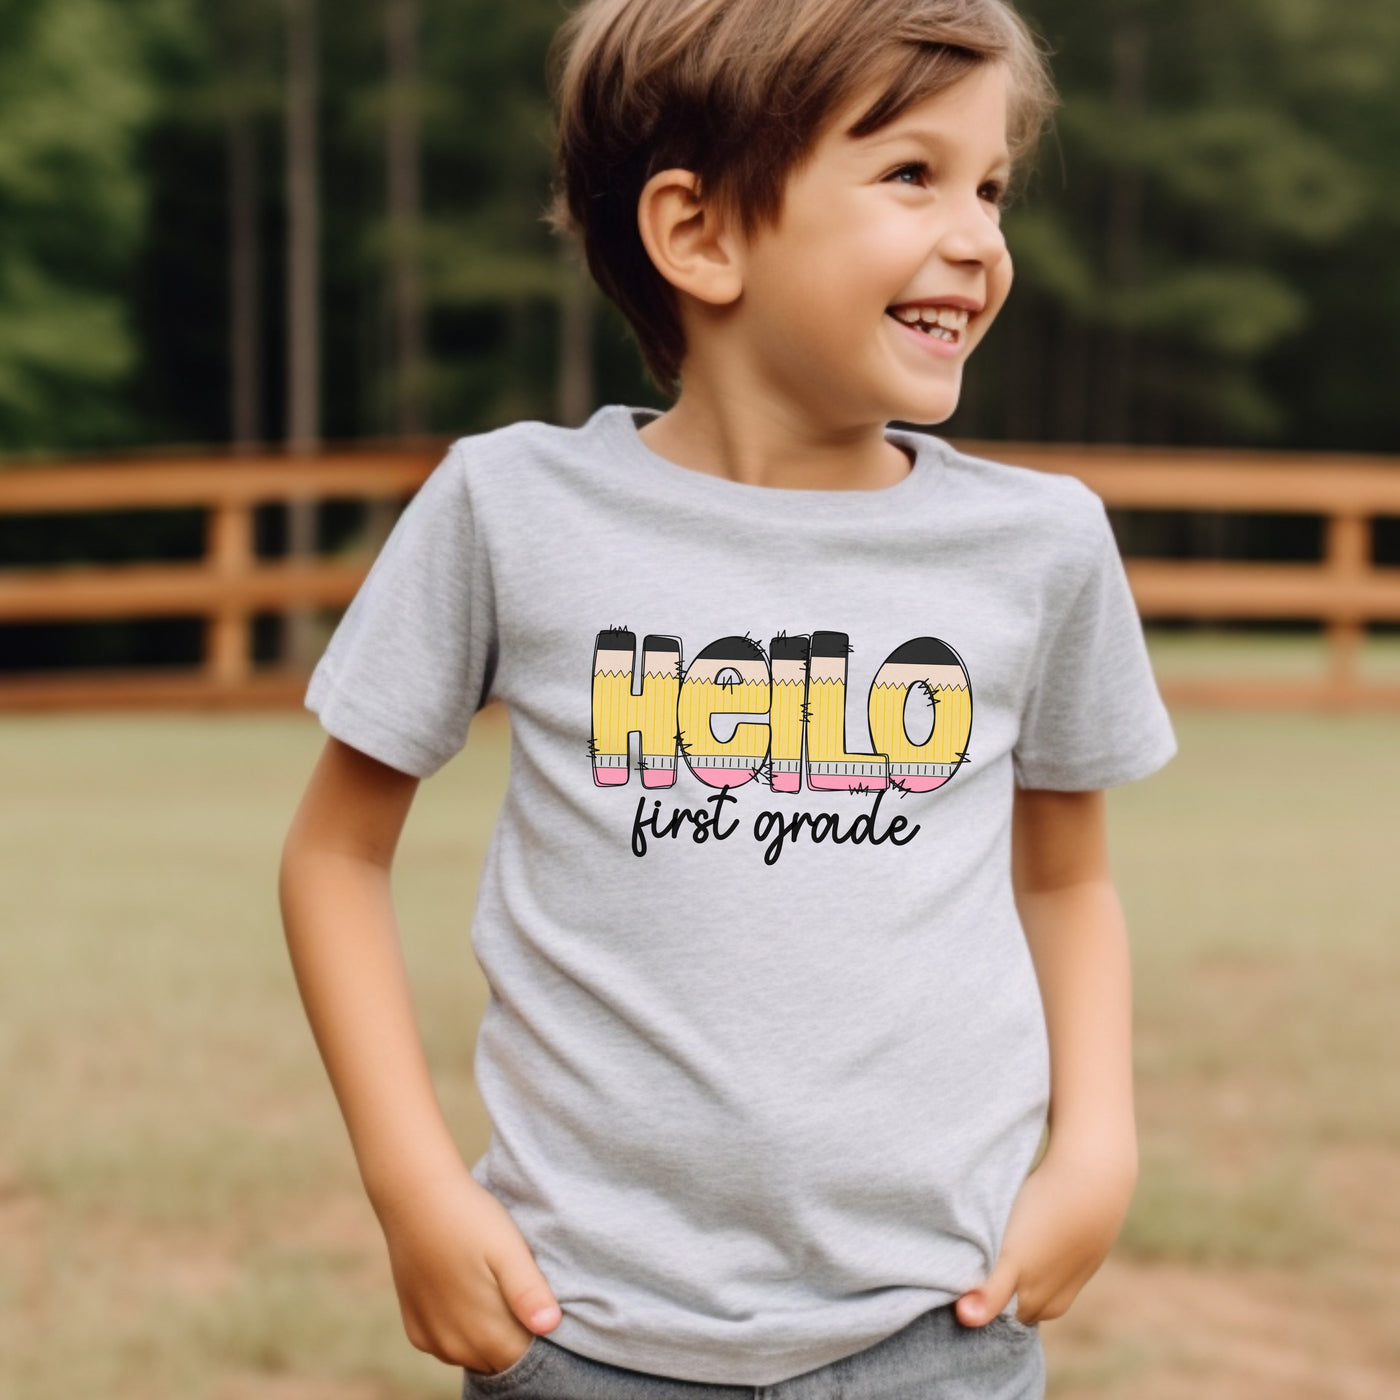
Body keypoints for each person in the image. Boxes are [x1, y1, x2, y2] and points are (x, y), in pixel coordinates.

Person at [278, 0, 1177, 1395]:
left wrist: (1098, 1149)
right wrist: (414, 1193)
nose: (981, 236)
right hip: (580, 1334)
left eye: (991, 184)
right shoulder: (511, 510)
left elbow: (1065, 883)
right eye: (911, 175)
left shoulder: (1042, 546)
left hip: (936, 1326)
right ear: (699, 232)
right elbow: (334, 856)